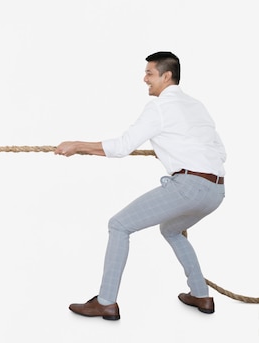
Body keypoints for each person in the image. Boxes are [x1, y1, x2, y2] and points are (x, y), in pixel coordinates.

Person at [55, 51, 226, 320]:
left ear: (166, 76)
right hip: (216, 191)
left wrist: (78, 145)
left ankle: (106, 302)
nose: (144, 79)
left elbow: (122, 146)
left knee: (119, 225)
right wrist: (174, 151)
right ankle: (201, 295)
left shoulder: (159, 107)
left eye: (149, 73)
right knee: (171, 230)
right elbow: (219, 152)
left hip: (188, 187)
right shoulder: (196, 105)